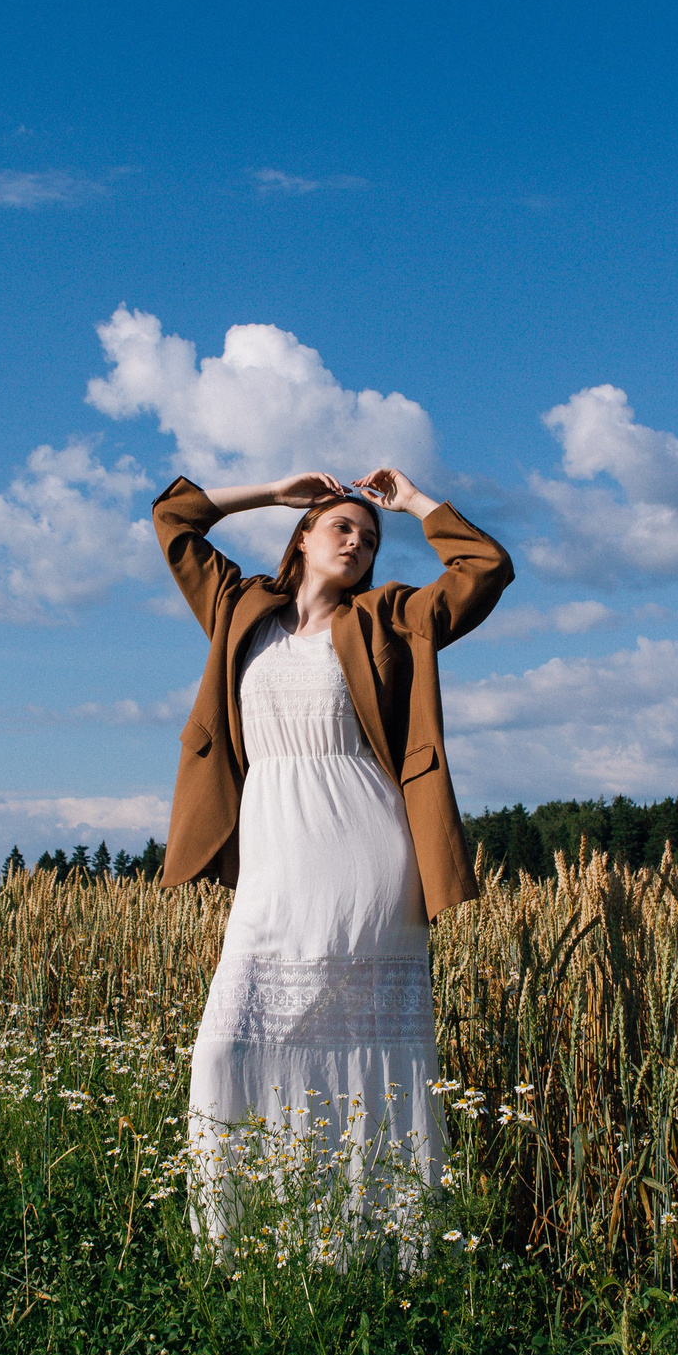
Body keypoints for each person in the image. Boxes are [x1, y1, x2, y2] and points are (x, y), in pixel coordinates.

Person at [151, 466, 512, 1262]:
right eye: (342, 527)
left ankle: (377, 1247)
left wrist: (415, 503)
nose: (359, 541)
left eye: (370, 537)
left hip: (368, 857)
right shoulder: (240, 608)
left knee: (371, 1056)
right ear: (304, 539)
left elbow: (485, 568)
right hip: (274, 856)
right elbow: (175, 520)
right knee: (227, 1045)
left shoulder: (390, 617)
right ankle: (246, 1243)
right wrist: (271, 489)